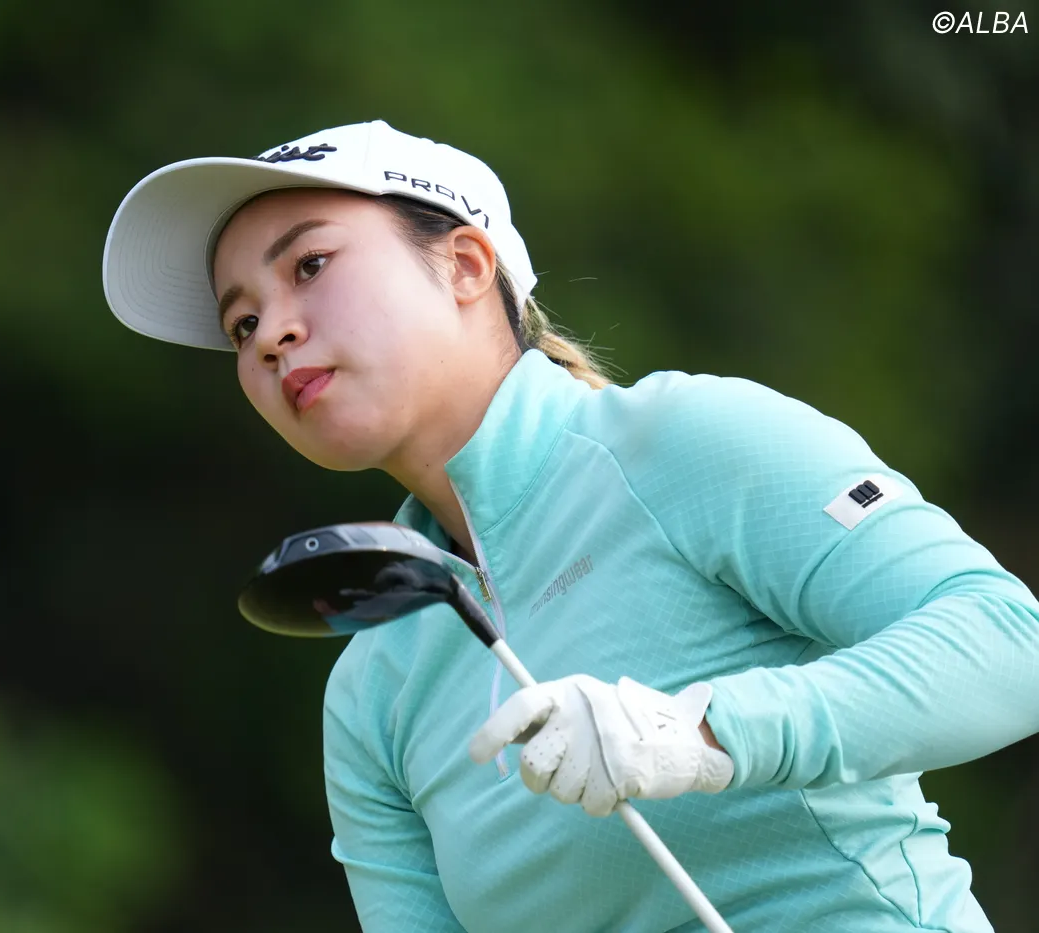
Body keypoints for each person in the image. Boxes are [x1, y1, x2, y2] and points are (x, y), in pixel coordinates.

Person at [101, 120, 1039, 932]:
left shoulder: (683, 444)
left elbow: (1009, 641)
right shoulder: (370, 694)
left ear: (466, 266)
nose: (270, 334)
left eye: (310, 266)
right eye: (241, 324)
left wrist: (700, 733)